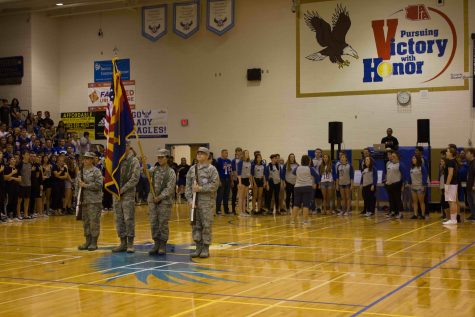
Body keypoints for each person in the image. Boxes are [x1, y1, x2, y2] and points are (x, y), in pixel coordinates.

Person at [185, 147, 219, 258]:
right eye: (198, 153)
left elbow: (214, 185)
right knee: (196, 226)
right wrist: (190, 200)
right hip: (195, 203)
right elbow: (188, 186)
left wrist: (200, 188)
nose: (199, 155)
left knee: (206, 225)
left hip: (207, 203)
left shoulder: (211, 169)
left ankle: (205, 247)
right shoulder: (192, 169)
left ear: (207, 156)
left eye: (202, 153)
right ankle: (198, 247)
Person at [112, 140, 140, 253]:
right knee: (119, 219)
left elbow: (135, 178)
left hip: (127, 194)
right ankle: (122, 242)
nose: (122, 149)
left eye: (125, 146)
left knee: (128, 219)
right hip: (117, 195)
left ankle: (130, 243)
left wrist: (122, 190)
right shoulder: (116, 162)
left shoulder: (134, 161)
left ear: (129, 147)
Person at [147, 149, 176, 255]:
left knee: (162, 223)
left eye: (162, 157)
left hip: (164, 201)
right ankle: (156, 243)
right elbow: (145, 173)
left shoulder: (171, 172)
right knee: (154, 222)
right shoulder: (154, 169)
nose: (159, 159)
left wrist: (160, 197)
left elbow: (170, 188)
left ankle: (163, 244)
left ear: (167, 158)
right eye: (158, 157)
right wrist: (142, 166)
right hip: (152, 200)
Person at [76, 152, 104, 251]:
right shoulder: (80, 172)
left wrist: (86, 185)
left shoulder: (96, 171)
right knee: (86, 222)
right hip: (84, 201)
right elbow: (77, 186)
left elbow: (99, 185)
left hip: (94, 201)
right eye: (84, 158)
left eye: (88, 158)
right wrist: (77, 199)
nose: (85, 160)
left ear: (92, 160)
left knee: (94, 222)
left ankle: (94, 242)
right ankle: (87, 240)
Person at [291, 155, 318, 225]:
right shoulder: (310, 168)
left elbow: (293, 173)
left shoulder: (297, 168)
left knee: (296, 204)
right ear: (308, 161)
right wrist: (315, 183)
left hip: (297, 187)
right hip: (307, 187)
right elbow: (317, 176)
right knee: (306, 205)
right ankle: (305, 221)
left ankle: (293, 220)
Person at [384, 152, 407, 219]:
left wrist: (403, 185)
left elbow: (404, 176)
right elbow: (387, 174)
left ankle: (400, 213)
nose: (392, 157)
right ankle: (393, 212)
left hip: (397, 184)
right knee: (391, 199)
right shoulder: (389, 165)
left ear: (397, 157)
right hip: (389, 185)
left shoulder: (400, 165)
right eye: (392, 156)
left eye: (394, 156)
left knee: (398, 199)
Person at [443, 147, 459, 225]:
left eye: (447, 151)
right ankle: (453, 219)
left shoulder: (450, 162)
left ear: (451, 153)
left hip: (451, 184)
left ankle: (453, 220)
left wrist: (447, 185)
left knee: (452, 202)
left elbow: (450, 174)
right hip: (453, 184)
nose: (446, 152)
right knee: (452, 202)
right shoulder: (453, 161)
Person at [409, 155, 428, 220]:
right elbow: (410, 177)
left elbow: (425, 176)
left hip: (420, 187)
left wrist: (423, 185)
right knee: (414, 202)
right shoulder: (411, 167)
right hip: (413, 187)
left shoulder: (421, 167)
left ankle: (423, 215)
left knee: (421, 202)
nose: (413, 159)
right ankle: (415, 214)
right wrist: (409, 183)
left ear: (418, 159)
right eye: (412, 158)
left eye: (414, 158)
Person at [215, 150, 231, 215]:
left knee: (226, 196)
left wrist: (231, 180)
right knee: (220, 195)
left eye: (227, 153)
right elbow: (216, 172)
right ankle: (218, 210)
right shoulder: (218, 160)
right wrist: (218, 181)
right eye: (225, 153)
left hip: (227, 179)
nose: (226, 154)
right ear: (222, 153)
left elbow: (229, 171)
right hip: (221, 179)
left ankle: (226, 210)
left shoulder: (229, 161)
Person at [237, 150, 252, 217]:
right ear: (243, 154)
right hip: (241, 180)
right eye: (246, 153)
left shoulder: (249, 162)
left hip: (247, 180)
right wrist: (239, 183)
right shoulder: (240, 162)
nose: (247, 154)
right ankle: (240, 212)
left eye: (248, 153)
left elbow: (249, 173)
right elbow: (239, 173)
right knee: (241, 197)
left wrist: (251, 182)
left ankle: (244, 211)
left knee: (245, 197)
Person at [231, 147, 242, 215]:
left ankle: (243, 209)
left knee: (242, 195)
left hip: (242, 179)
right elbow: (233, 171)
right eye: (238, 151)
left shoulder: (243, 160)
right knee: (234, 194)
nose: (239, 152)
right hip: (235, 179)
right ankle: (233, 210)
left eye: (240, 151)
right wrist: (236, 179)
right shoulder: (233, 161)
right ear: (236, 152)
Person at [465, 148, 475, 222]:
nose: (466, 154)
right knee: (470, 201)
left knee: (473, 201)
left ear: (472, 154)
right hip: (469, 186)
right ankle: (473, 215)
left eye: (467, 153)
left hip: (473, 187)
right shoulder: (470, 163)